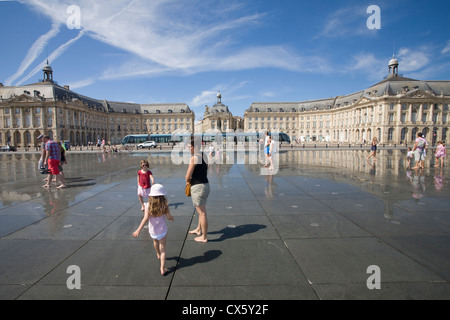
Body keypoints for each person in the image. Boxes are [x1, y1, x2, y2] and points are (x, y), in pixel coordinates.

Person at [132, 184, 174, 276]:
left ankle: (158, 254)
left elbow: (145, 218)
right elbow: (168, 216)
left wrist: (138, 230)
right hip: (162, 231)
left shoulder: (147, 206)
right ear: (162, 196)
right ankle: (162, 268)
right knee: (163, 249)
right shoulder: (164, 205)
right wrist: (171, 218)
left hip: (153, 231)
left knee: (155, 242)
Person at [186, 136, 210, 243]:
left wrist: (189, 179)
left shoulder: (194, 158)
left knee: (202, 213)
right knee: (201, 211)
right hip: (205, 185)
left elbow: (187, 176)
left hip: (198, 187)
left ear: (194, 146)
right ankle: (198, 229)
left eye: (189, 146)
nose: (188, 148)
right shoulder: (204, 155)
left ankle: (204, 237)